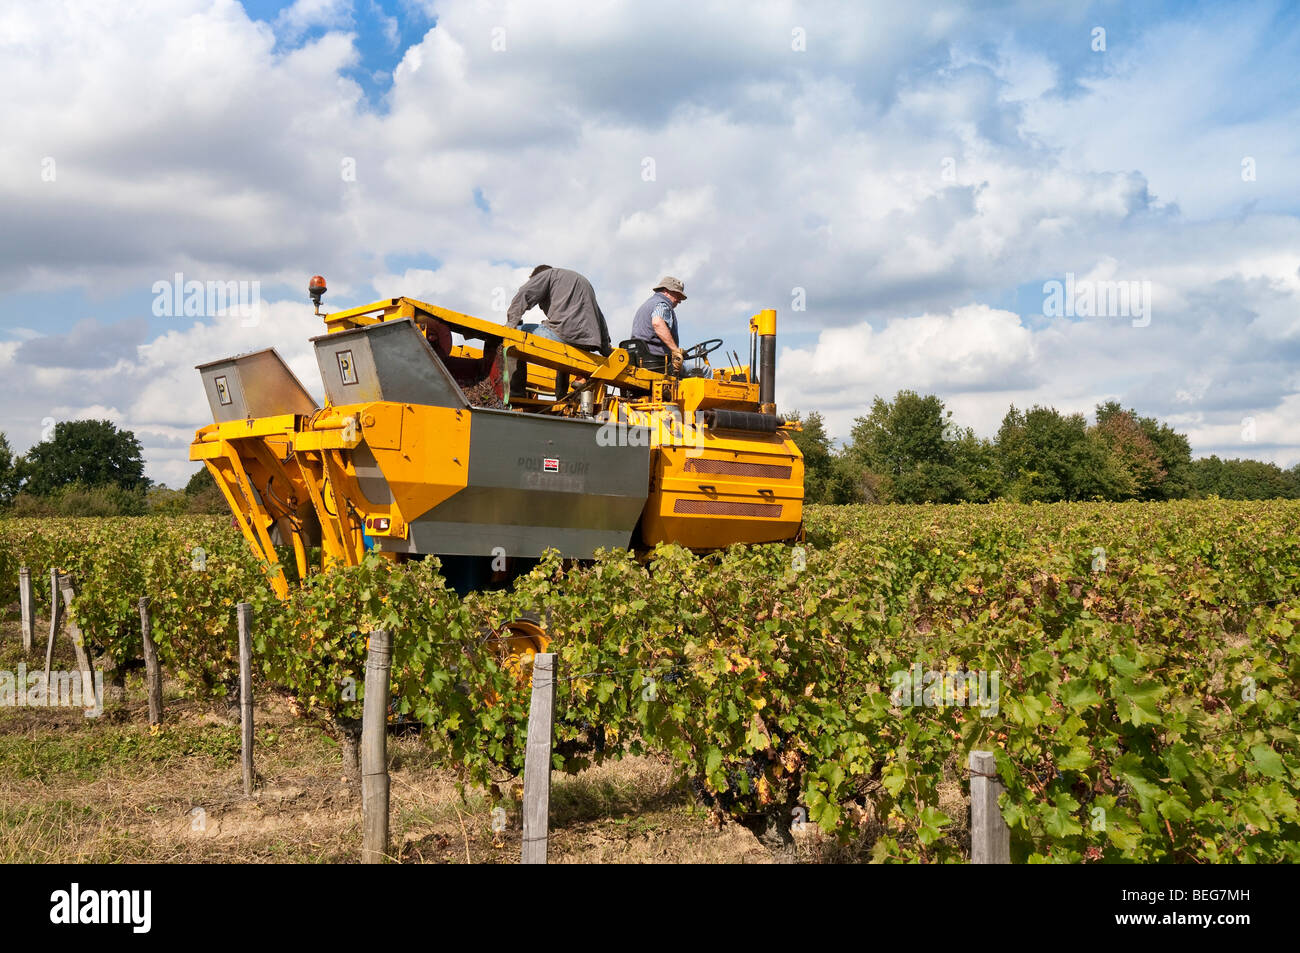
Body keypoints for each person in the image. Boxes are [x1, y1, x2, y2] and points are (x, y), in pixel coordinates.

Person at [506, 265, 611, 354]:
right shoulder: (579, 281)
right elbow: (599, 317)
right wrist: (606, 350)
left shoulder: (547, 274)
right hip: (588, 344)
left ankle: (513, 378)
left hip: (563, 337)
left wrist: (510, 326)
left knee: (517, 333)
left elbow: (524, 293)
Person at [630, 276, 686, 374]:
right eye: (677, 295)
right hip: (658, 361)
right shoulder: (662, 304)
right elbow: (657, 323)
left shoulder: (647, 304)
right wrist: (675, 350)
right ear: (666, 291)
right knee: (704, 370)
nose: (679, 301)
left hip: (640, 359)